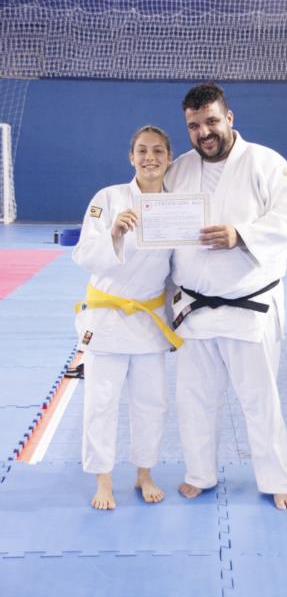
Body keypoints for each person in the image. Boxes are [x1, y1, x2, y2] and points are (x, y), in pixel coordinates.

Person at [165, 83, 287, 510]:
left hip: (249, 306)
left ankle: (278, 479)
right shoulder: (178, 170)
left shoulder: (266, 163)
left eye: (211, 121)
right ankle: (199, 474)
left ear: (229, 118)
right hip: (194, 309)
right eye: (194, 126)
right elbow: (162, 231)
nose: (204, 132)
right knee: (194, 401)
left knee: (260, 401)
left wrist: (240, 234)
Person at [73, 125, 182, 510]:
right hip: (107, 319)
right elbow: (84, 253)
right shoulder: (108, 198)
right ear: (131, 157)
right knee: (101, 402)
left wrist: (177, 319)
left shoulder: (177, 207)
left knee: (152, 402)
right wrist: (114, 233)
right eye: (142, 150)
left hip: (149, 321)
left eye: (158, 151)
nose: (150, 157)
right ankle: (102, 479)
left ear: (169, 158)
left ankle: (144, 473)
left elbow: (179, 269)